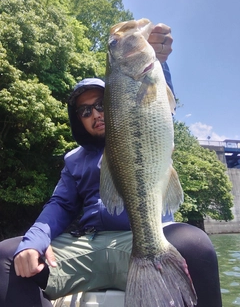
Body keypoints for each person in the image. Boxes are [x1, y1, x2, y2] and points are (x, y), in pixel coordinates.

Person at [0, 24, 222, 307]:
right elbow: (60, 206)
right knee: (8, 256)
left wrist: (159, 62)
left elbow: (155, 101)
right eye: (85, 110)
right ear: (78, 119)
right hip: (89, 246)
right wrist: (33, 242)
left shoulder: (142, 123)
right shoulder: (73, 160)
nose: (95, 113)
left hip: (141, 237)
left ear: (116, 101)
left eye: (102, 104)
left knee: (197, 246)